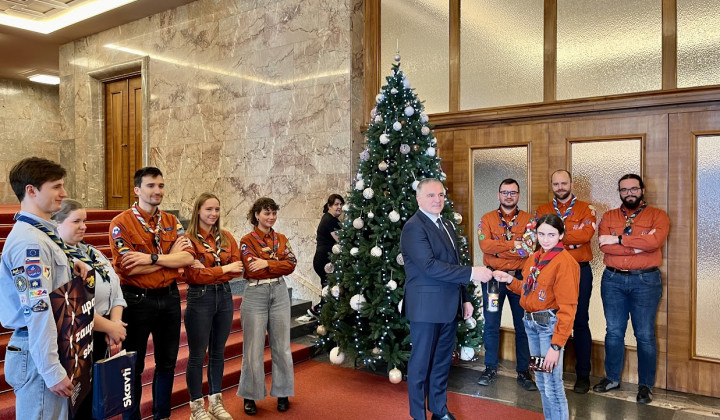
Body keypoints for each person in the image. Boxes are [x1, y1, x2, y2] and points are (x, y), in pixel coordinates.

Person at [0, 157, 89, 419]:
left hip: (47, 344)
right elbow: (37, 309)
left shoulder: (41, 235)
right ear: (31, 190)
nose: (64, 193)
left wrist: (70, 265)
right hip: (37, 350)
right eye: (56, 187)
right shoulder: (30, 243)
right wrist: (51, 369)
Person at [400, 178, 492, 420]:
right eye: (431, 195)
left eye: (440, 195)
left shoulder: (447, 224)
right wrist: (473, 273)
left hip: (450, 306)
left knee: (441, 363)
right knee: (421, 365)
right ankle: (418, 415)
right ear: (419, 199)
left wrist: (465, 298)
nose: (437, 200)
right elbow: (429, 266)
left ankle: (439, 410)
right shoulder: (413, 227)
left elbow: (453, 264)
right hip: (426, 308)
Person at [109, 167, 194, 420]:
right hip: (136, 299)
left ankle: (162, 416)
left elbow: (188, 257)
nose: (157, 191)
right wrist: (170, 259)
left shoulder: (171, 221)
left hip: (169, 298)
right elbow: (129, 268)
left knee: (167, 363)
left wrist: (151, 258)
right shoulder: (121, 223)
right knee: (133, 366)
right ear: (137, 190)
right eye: (151, 186)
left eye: (161, 186)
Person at [492, 213, 580, 420]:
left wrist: (556, 346)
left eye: (551, 234)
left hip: (549, 328)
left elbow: (568, 309)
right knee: (541, 381)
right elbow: (527, 290)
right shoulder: (535, 257)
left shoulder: (565, 263)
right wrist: (508, 280)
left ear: (561, 235)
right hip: (531, 326)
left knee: (553, 385)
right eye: (541, 234)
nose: (546, 239)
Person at [593, 173, 669, 404]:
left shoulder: (658, 215)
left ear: (642, 190)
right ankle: (612, 378)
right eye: (624, 190)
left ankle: (645, 385)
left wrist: (618, 240)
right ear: (620, 193)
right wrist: (638, 245)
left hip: (645, 282)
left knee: (644, 334)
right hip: (613, 280)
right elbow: (603, 246)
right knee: (614, 331)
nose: (629, 193)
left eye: (633, 189)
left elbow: (655, 243)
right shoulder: (609, 216)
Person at [54, 198, 128, 419]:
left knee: (96, 400)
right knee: (78, 404)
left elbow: (116, 290)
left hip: (100, 334)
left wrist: (114, 324)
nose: (84, 226)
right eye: (76, 221)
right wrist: (110, 328)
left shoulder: (92, 253)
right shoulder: (60, 258)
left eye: (84, 221)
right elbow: (72, 306)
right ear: (57, 224)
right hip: (75, 340)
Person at [535, 169, 597, 393]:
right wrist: (568, 240)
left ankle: (583, 376)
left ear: (571, 184)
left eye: (564, 183)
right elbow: (539, 239)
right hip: (548, 271)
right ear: (551, 185)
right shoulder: (542, 210)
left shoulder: (586, 208)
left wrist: (554, 237)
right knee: (545, 321)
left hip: (579, 271)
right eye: (556, 184)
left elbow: (585, 236)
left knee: (579, 321)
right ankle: (546, 372)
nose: (560, 187)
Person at [183, 193, 243, 420]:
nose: (213, 214)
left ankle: (215, 402)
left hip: (225, 296)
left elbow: (238, 267)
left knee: (218, 353)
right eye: (209, 209)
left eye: (217, 209)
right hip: (200, 298)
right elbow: (193, 275)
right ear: (198, 210)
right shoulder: (188, 240)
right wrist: (224, 269)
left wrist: (211, 270)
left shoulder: (226, 237)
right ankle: (196, 408)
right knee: (197, 355)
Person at [237, 197, 297, 415]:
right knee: (253, 349)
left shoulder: (281, 238)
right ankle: (250, 396)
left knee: (282, 346)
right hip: (255, 293)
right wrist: (276, 265)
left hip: (279, 291)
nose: (270, 217)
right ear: (256, 215)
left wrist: (268, 264)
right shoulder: (247, 240)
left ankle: (282, 392)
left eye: (273, 213)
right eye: (266, 213)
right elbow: (252, 269)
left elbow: (291, 264)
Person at [476, 178, 537, 391]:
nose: (508, 196)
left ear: (519, 195)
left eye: (513, 192)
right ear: (498, 194)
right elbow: (485, 245)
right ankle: (490, 367)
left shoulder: (531, 221)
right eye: (505, 192)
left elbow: (528, 250)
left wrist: (499, 248)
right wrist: (515, 245)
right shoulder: (487, 219)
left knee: (523, 326)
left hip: (518, 279)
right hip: (492, 279)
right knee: (491, 323)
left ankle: (523, 371)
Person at [308, 193, 344, 318]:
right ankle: (318, 310)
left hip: (323, 259)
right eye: (336, 204)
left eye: (341, 204)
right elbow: (341, 240)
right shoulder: (330, 220)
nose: (339, 207)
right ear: (329, 206)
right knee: (329, 287)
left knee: (328, 286)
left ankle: (321, 311)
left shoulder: (329, 218)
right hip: (324, 260)